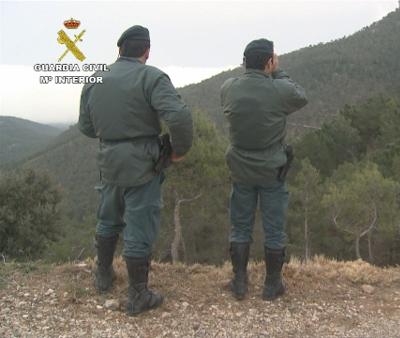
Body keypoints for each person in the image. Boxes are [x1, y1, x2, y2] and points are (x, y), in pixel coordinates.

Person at [78, 25, 193, 315]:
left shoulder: (95, 78)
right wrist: (179, 150)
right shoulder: (151, 77)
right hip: (142, 162)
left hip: (108, 159)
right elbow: (178, 116)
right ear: (146, 51)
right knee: (139, 225)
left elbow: (86, 126)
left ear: (119, 50)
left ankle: (103, 275)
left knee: (108, 216)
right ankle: (138, 294)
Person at [220, 38, 308, 301]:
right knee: (274, 227)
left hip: (241, 168)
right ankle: (272, 285)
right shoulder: (278, 89)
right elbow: (300, 96)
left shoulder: (228, 87)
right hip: (271, 170)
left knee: (240, 225)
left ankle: (239, 282)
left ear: (245, 61)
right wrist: (277, 71)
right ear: (269, 61)